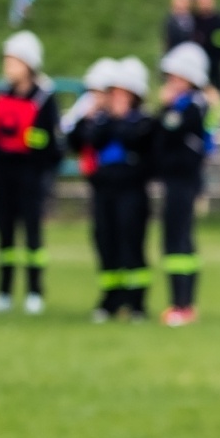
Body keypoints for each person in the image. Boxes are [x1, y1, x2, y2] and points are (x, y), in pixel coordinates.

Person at [0, 30, 61, 315]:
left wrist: (33, 161)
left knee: (32, 236)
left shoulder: (44, 99)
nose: (8, 66)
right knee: (4, 236)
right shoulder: (2, 94)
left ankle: (35, 291)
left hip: (31, 176)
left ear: (29, 64)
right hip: (3, 175)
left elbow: (50, 144)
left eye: (13, 60)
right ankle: (3, 292)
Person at [71, 56, 154, 321]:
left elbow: (138, 144)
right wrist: (92, 116)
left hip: (131, 191)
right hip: (104, 190)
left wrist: (118, 120)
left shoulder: (142, 122)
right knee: (105, 242)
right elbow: (79, 140)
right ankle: (110, 298)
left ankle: (136, 301)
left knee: (132, 243)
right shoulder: (100, 120)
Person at [154, 42, 212, 327]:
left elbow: (171, 129)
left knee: (179, 240)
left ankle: (183, 304)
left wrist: (166, 107)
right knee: (174, 240)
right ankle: (179, 302)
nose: (170, 82)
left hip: (185, 181)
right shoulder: (181, 105)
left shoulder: (194, 106)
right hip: (173, 180)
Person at [192, 0, 220, 98]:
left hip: (215, 63)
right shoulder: (194, 19)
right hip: (197, 64)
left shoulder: (219, 20)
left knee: (218, 91)